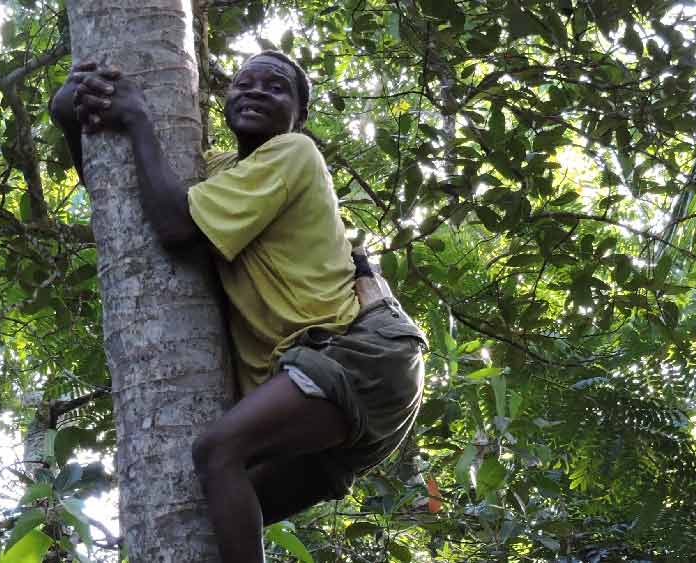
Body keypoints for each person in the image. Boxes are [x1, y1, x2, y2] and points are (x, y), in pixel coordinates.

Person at [51, 51, 427, 563]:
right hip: (321, 396)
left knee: (217, 452)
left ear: (300, 116)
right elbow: (128, 202)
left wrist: (137, 115)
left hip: (356, 357)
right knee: (198, 515)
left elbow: (177, 230)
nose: (254, 91)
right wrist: (70, 117)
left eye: (275, 88)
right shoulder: (221, 173)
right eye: (242, 83)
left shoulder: (294, 152)